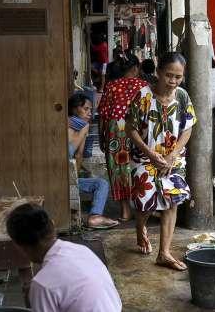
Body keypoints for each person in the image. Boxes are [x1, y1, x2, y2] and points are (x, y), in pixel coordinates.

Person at [126, 52, 196, 271]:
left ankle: (164, 253)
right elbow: (130, 129)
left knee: (171, 200)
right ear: (158, 72)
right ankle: (140, 227)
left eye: (178, 77)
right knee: (146, 200)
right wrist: (150, 153)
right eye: (169, 75)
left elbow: (188, 128)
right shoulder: (143, 96)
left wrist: (172, 155)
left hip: (171, 159)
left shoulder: (182, 96)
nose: (173, 81)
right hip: (145, 157)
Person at [6, 203, 122, 312]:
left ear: (21, 246)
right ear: (53, 225)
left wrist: (32, 300)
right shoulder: (81, 250)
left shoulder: (42, 285)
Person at [97, 55, 148, 222]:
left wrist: (102, 136)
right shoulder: (144, 86)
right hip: (138, 129)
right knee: (138, 166)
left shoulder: (111, 86)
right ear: (135, 69)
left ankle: (125, 210)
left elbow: (103, 115)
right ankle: (143, 207)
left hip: (116, 130)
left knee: (118, 169)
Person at [68, 93, 119, 229]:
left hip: (65, 178)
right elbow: (78, 155)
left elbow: (79, 156)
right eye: (86, 109)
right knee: (101, 184)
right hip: (60, 179)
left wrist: (74, 181)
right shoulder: (74, 125)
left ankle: (95, 216)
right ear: (74, 109)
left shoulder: (80, 125)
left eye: (91, 110)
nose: (90, 113)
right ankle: (95, 216)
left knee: (101, 183)